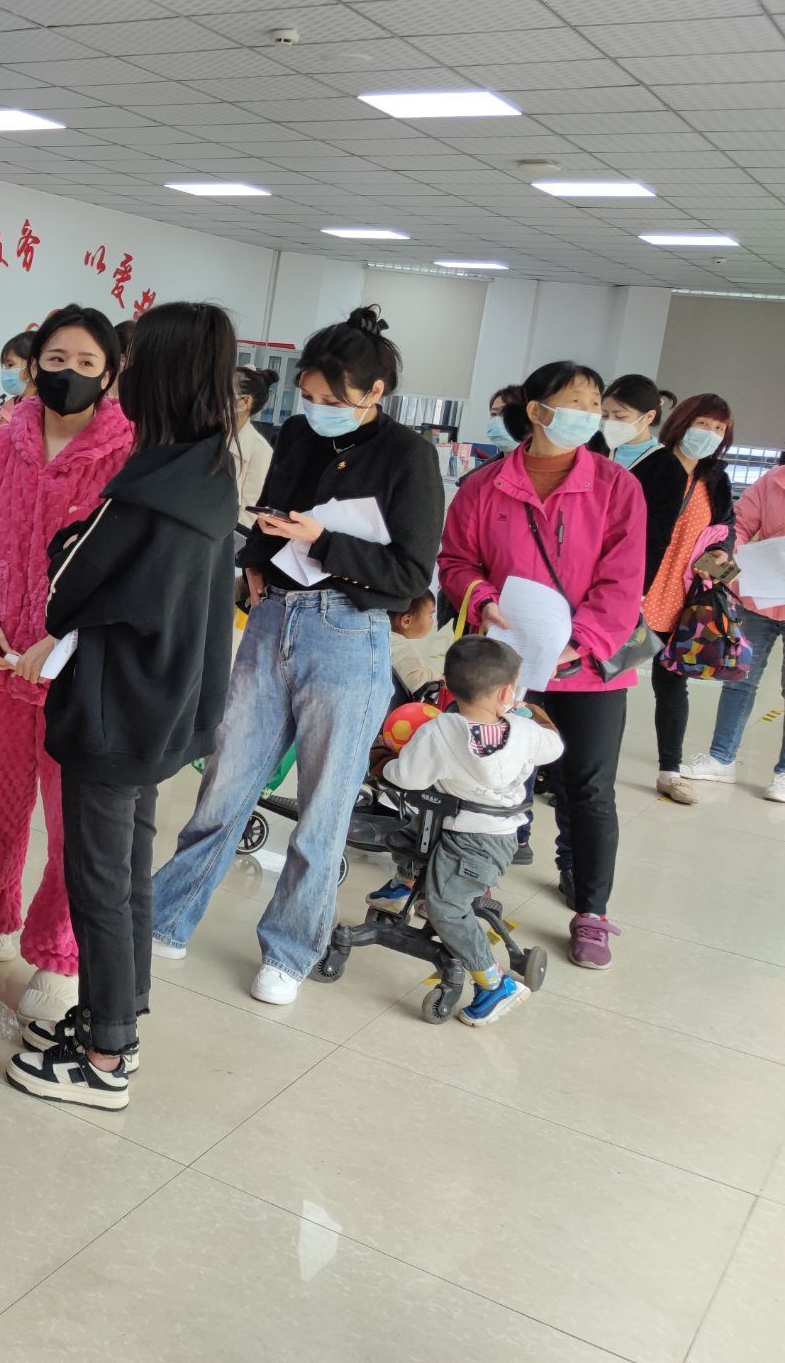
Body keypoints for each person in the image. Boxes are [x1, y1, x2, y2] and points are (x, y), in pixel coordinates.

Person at [149, 307, 445, 1006]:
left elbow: (409, 573)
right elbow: (270, 515)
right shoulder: (299, 435)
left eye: (332, 399)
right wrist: (257, 558)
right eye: (307, 396)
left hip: (347, 632)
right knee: (224, 784)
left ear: (374, 394)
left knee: (323, 807)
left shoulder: (407, 455)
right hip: (273, 616)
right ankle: (167, 917)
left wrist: (321, 541)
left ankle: (289, 949)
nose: (316, 410)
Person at [4, 302, 242, 1108]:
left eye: (129, 361)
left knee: (99, 879)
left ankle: (107, 1056)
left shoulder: (149, 488)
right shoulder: (208, 471)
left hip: (114, 709)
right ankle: (117, 1013)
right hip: (163, 704)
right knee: (128, 874)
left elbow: (70, 583)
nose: (118, 377)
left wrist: (66, 551)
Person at [0, 306, 134, 1025]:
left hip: (77, 673)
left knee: (73, 826)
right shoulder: (0, 445)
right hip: (1, 664)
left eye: (87, 363)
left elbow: (127, 567)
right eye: (56, 359)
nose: (69, 374)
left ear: (110, 374)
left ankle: (59, 958)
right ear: (35, 364)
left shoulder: (126, 454)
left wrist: (64, 639)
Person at [439, 361, 645, 969]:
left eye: (595, 404)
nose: (589, 414)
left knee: (589, 787)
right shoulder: (484, 486)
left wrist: (579, 641)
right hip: (504, 666)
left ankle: (592, 912)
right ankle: (477, 883)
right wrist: (482, 599)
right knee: (497, 778)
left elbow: (623, 577)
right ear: (536, 410)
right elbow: (456, 561)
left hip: (588, 667)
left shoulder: (615, 487)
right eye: (576, 402)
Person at [366, 638, 566, 1027]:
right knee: (416, 836)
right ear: (507, 692)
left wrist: (382, 761)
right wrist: (529, 713)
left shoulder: (439, 731)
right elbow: (554, 746)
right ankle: (408, 882)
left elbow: (407, 777)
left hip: (465, 837)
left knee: (446, 907)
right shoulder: (525, 731)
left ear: (447, 685)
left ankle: (495, 983)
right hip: (497, 837)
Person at [632, 392, 739, 803]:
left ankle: (670, 771)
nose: (710, 433)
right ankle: (572, 769)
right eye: (703, 424)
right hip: (638, 589)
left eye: (718, 428)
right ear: (682, 423)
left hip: (683, 596)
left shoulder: (716, 480)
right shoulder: (653, 466)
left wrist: (722, 552)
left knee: (672, 683)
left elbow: (726, 526)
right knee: (608, 678)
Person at [691, 459, 785, 802]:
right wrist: (735, 557)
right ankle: (721, 759)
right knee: (739, 679)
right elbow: (740, 525)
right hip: (760, 597)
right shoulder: (774, 481)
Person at [231, 365, 278, 527]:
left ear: (245, 402)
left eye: (225, 392)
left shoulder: (260, 450)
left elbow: (249, 514)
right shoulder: (209, 435)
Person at [601, 374, 667, 470]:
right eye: (604, 415)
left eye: (620, 416)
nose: (609, 422)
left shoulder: (666, 465)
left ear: (649, 417)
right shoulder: (596, 446)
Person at [0, 329, 35, 428]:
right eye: (5, 366)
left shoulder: (47, 415)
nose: (6, 372)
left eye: (10, 365)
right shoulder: (8, 407)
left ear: (33, 365)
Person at [479, 383, 525, 459]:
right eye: (494, 414)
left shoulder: (535, 465)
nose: (497, 420)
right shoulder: (492, 464)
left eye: (506, 413)